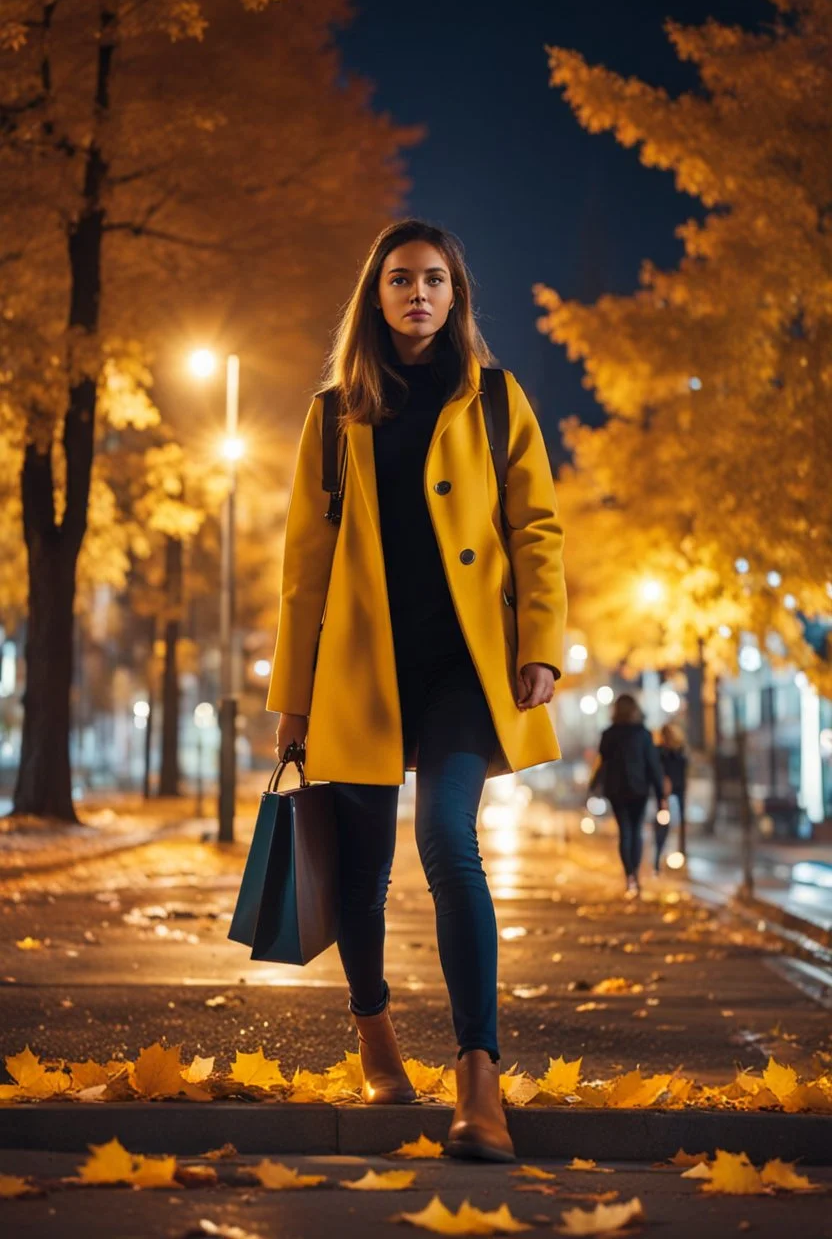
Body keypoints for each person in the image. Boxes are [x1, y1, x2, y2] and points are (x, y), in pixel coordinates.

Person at [267, 219, 567, 1162]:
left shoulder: (495, 400)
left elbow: (538, 529)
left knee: (448, 835)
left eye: (436, 280)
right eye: (401, 280)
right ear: (377, 295)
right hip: (361, 664)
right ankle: (376, 1035)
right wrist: (291, 694)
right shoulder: (335, 411)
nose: (420, 295)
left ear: (456, 295)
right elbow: (302, 568)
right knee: (360, 871)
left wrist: (542, 643)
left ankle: (480, 1078)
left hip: (462, 667)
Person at [587, 693, 667, 896]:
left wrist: (593, 787)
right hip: (639, 789)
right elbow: (653, 766)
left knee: (625, 831)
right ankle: (636, 875)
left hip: (616, 789)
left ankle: (629, 875)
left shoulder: (609, 734)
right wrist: (661, 796)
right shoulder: (643, 734)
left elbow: (602, 762)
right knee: (636, 829)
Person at [653, 721, 688, 872]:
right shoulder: (675, 752)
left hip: (669, 795)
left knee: (667, 827)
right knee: (668, 827)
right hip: (670, 795)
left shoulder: (670, 752)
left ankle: (664, 858)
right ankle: (662, 858)